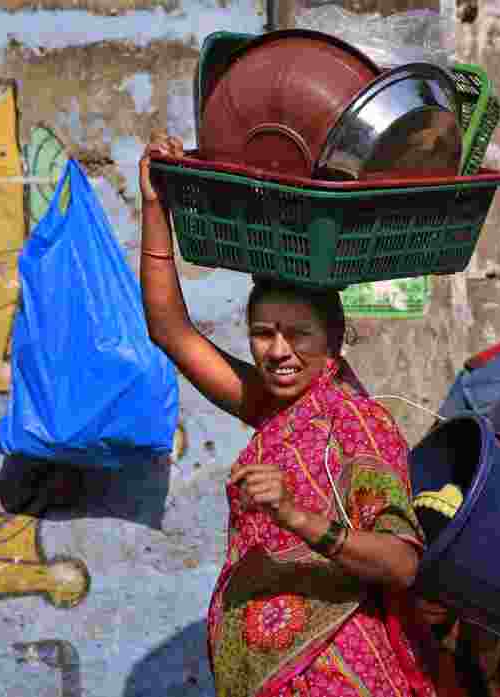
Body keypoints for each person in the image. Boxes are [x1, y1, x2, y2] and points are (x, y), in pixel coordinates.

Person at [138, 133, 447, 697]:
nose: (278, 351)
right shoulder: (273, 406)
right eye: (263, 333)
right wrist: (156, 206)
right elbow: (169, 330)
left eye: (297, 334)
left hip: (339, 677)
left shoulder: (358, 425)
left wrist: (298, 516)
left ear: (334, 341)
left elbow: (401, 562)